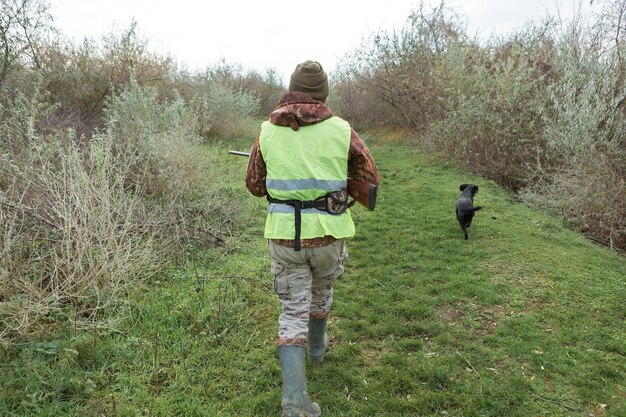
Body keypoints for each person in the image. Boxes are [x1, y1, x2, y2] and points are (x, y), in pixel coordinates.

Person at [245, 60, 380, 417]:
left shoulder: (267, 130)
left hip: (285, 239)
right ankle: (318, 351)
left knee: (292, 311)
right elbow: (370, 176)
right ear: (323, 94)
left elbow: (255, 186)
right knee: (321, 292)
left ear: (291, 90)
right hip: (328, 238)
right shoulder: (341, 129)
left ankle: (295, 401)